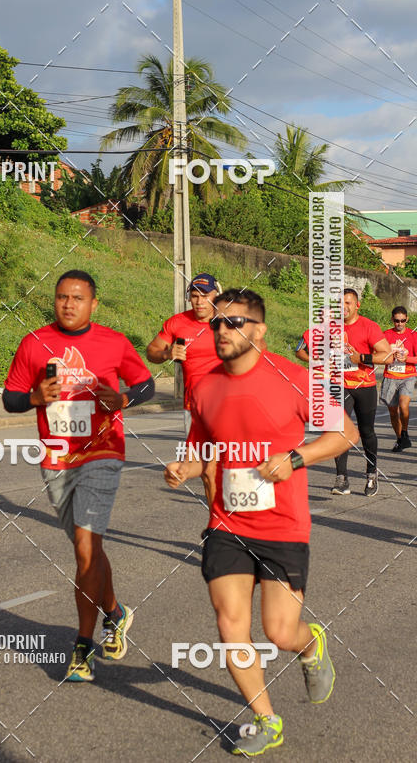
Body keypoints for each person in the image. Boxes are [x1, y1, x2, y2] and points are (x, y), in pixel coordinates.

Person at [164, 288, 358, 756]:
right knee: (231, 623)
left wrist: (296, 457)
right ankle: (265, 719)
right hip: (227, 525)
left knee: (278, 632)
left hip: (283, 527)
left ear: (260, 331)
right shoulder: (205, 386)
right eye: (217, 324)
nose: (222, 331)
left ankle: (309, 644)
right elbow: (202, 448)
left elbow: (345, 433)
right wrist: (183, 468)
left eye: (234, 323)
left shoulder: (295, 378)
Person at [3, 270, 154, 682]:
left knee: (86, 549)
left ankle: (81, 649)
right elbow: (10, 398)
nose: (68, 304)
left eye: (77, 298)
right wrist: (34, 397)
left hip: (103, 452)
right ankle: (117, 613)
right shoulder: (34, 343)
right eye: (61, 297)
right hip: (56, 458)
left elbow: (146, 385)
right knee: (89, 552)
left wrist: (122, 397)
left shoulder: (113, 342)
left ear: (93, 304)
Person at [146, 273, 222, 436]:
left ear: (217, 296)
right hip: (193, 406)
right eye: (195, 296)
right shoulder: (177, 323)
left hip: (228, 403)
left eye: (205, 296)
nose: (200, 302)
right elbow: (151, 351)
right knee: (197, 459)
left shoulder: (229, 322)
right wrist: (166, 354)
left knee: (232, 458)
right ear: (189, 298)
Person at [332, 288, 391, 496]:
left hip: (364, 387)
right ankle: (341, 479)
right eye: (340, 302)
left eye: (348, 302)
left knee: (366, 432)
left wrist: (362, 358)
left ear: (357, 305)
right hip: (339, 385)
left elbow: (388, 357)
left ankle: (371, 475)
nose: (343, 307)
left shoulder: (369, 326)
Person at [381, 305, 417, 452]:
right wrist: (389, 356)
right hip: (390, 376)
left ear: (407, 319)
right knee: (393, 412)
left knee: (403, 405)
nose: (400, 324)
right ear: (392, 319)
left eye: (403, 320)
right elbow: (378, 355)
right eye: (397, 320)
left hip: (408, 376)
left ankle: (405, 433)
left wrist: (406, 358)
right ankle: (400, 439)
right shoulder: (385, 335)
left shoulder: (413, 335)